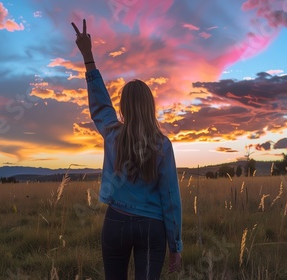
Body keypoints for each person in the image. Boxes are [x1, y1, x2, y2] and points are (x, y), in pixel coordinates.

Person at [71, 20, 182, 279]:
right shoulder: (162, 145)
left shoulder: (112, 134)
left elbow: (100, 105)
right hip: (151, 228)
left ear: (124, 108)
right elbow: (170, 198)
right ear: (150, 106)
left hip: (116, 222)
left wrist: (88, 57)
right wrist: (175, 246)